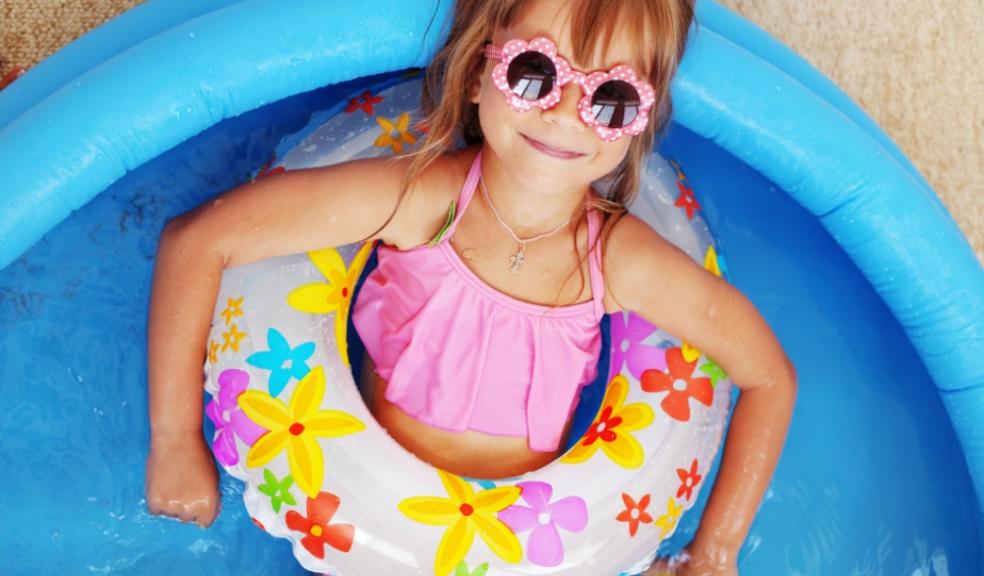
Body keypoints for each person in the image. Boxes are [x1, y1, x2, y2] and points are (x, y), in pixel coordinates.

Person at [144, 0, 796, 573]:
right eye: (535, 73)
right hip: (367, 530)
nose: (567, 115)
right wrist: (175, 439)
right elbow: (199, 240)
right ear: (480, 68)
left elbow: (769, 375)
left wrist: (715, 553)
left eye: (611, 99)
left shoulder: (623, 262)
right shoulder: (418, 202)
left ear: (639, 123)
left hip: (532, 557)